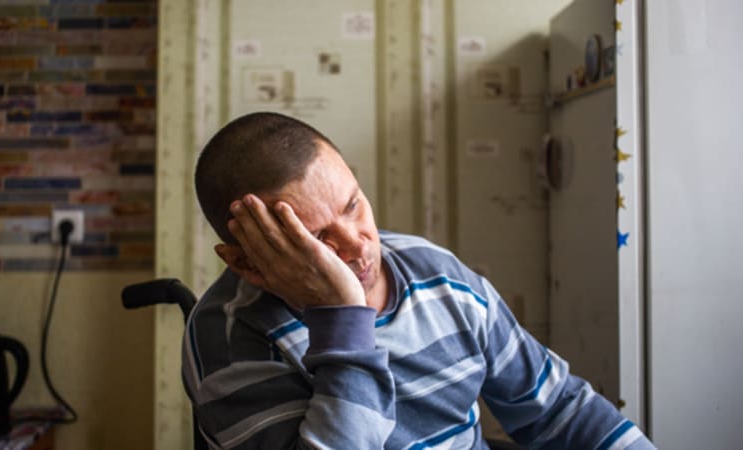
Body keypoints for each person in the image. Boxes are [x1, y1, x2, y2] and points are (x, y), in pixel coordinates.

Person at [184, 111, 655, 449]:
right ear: (245, 261)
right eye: (317, 239)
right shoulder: (227, 336)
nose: (358, 245)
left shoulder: (434, 271)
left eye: (353, 205)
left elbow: (557, 408)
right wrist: (342, 318)